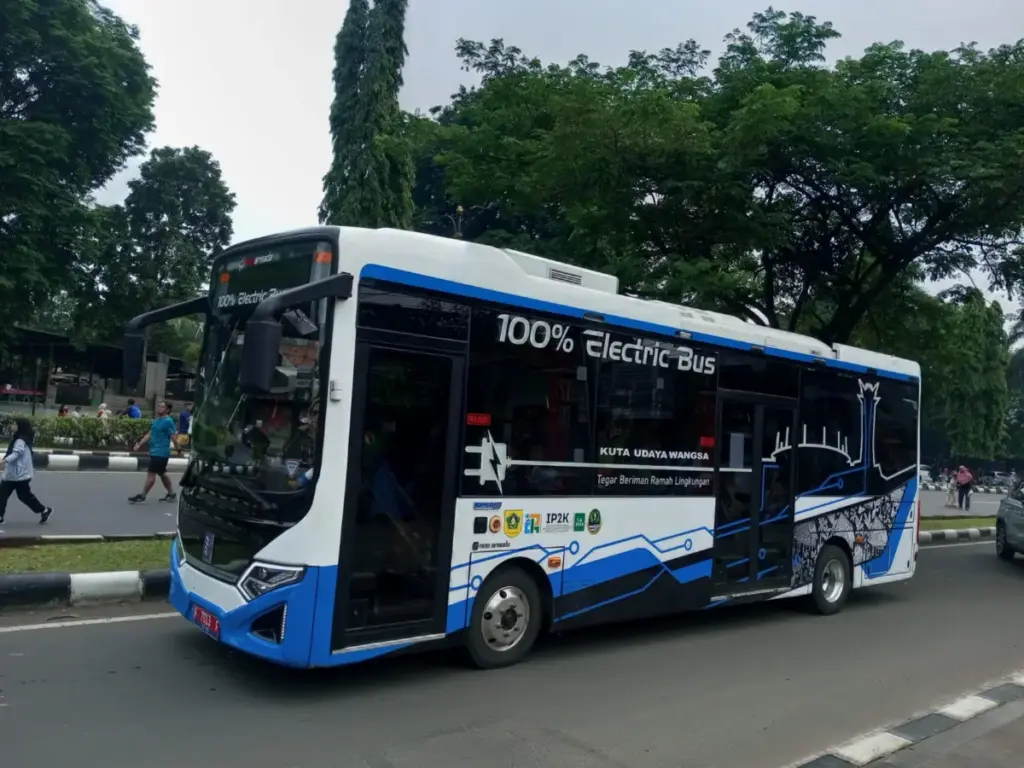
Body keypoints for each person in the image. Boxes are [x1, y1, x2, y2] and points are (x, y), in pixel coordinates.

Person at [0, 418, 53, 525]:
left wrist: (3, 461)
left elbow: (16, 454)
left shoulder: (20, 440)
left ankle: (44, 510)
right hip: (15, 474)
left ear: (20, 426)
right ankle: (44, 510)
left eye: (14, 424)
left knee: (21, 496)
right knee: (8, 495)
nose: (12, 426)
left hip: (19, 475)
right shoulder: (21, 437)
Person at [128, 401, 177, 504]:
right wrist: (139, 444)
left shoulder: (168, 421)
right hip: (154, 451)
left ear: (167, 410)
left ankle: (142, 495)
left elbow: (174, 437)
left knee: (151, 474)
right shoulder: (156, 420)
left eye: (161, 407)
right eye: (158, 406)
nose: (158, 408)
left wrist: (179, 449)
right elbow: (149, 434)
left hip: (161, 453)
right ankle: (171, 494)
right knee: (162, 473)